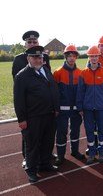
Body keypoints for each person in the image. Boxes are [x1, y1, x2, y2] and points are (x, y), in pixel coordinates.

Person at [13, 46, 59, 183]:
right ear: (28, 58)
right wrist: (21, 119)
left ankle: (45, 164)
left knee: (48, 141)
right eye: (34, 57)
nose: (38, 60)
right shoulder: (22, 76)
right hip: (33, 117)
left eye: (40, 57)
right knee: (32, 145)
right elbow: (18, 100)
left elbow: (54, 90)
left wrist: (56, 108)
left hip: (49, 115)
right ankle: (31, 170)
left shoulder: (45, 70)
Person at [12, 30, 51, 169]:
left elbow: (48, 79)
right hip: (30, 106)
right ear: (25, 44)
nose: (32, 43)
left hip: (45, 107)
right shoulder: (19, 60)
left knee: (45, 135)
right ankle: (27, 159)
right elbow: (18, 87)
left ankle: (44, 158)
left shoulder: (44, 57)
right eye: (29, 42)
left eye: (35, 42)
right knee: (29, 137)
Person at [76, 46, 103, 164]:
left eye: (96, 56)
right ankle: (92, 153)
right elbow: (80, 92)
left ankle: (101, 152)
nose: (94, 58)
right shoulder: (83, 74)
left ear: (99, 57)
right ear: (89, 57)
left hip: (101, 107)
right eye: (91, 56)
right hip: (87, 108)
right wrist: (80, 107)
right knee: (89, 130)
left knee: (101, 130)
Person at [53, 44, 85, 166]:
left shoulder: (80, 73)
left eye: (73, 56)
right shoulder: (57, 73)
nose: (71, 58)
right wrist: (56, 108)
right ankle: (60, 156)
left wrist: (81, 107)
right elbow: (54, 93)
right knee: (61, 132)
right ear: (66, 57)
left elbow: (82, 92)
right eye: (69, 55)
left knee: (75, 131)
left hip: (76, 109)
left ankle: (75, 151)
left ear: (76, 57)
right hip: (62, 110)